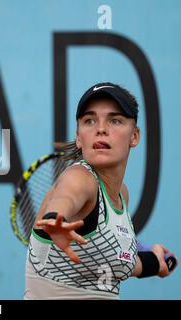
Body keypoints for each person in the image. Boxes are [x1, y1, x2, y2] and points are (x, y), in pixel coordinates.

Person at [24, 82, 177, 300]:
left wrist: (156, 262)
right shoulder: (79, 178)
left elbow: (115, 262)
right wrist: (54, 219)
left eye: (115, 120)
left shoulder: (121, 194)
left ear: (134, 136)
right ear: (79, 137)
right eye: (90, 120)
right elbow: (65, 197)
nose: (101, 128)